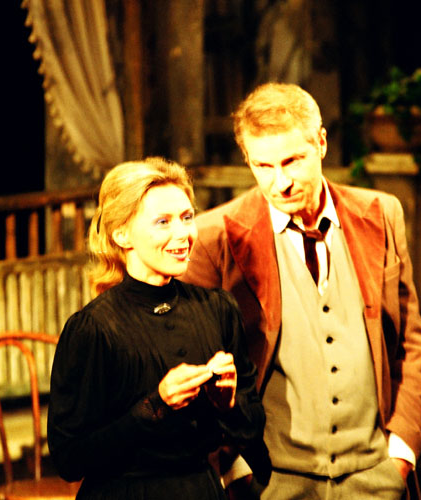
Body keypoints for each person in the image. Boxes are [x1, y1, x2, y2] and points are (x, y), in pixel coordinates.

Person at [182, 83, 421, 500]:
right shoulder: (215, 237)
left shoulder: (381, 214)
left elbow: (412, 344)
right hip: (272, 483)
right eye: (263, 166)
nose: (280, 182)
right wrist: (235, 467)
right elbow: (197, 367)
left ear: (321, 143)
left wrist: (401, 454)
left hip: (377, 477)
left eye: (292, 161)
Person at [47, 157, 271, 500]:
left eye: (187, 217)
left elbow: (252, 427)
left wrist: (227, 405)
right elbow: (69, 458)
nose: (182, 234)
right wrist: (156, 405)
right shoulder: (94, 329)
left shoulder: (217, 309)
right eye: (163, 222)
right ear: (122, 234)